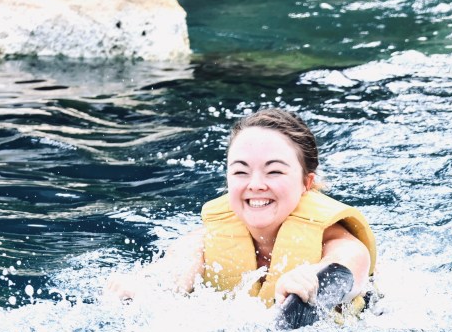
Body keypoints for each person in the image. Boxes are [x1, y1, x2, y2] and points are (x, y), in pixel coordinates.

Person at [105, 108, 375, 318]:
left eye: (274, 171)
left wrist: (309, 280)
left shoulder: (340, 244)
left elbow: (345, 271)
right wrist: (145, 289)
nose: (255, 184)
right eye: (240, 171)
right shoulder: (206, 242)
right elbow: (172, 272)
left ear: (307, 182)